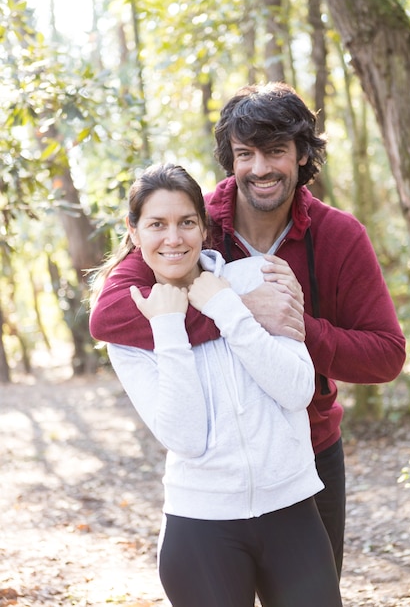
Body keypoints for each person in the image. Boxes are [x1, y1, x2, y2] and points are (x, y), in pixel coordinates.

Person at [89, 83, 406, 578]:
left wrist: (300, 327)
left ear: (302, 155)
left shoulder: (339, 236)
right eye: (245, 154)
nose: (260, 168)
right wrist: (237, 308)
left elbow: (386, 355)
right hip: (214, 479)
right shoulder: (192, 224)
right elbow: (110, 314)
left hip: (310, 458)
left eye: (276, 151)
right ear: (229, 159)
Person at [91, 162, 343, 607]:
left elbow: (298, 390)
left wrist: (228, 308)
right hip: (201, 525)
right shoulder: (132, 328)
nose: (174, 238)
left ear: (204, 227)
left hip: (292, 510)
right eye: (157, 224)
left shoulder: (259, 277)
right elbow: (185, 438)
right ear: (133, 233)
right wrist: (169, 326)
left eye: (187, 222)